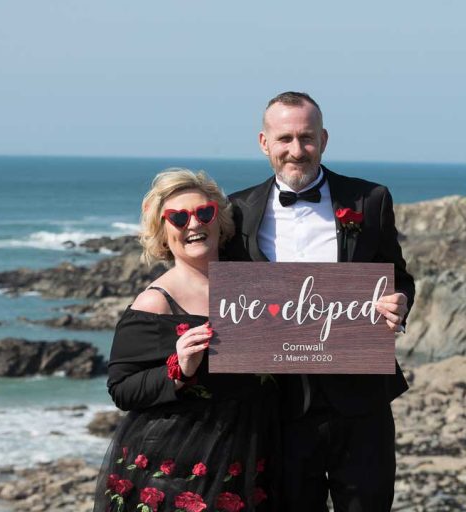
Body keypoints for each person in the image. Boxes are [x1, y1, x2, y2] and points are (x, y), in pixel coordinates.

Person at [223, 92, 415, 512]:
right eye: (285, 138)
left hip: (360, 399)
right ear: (263, 142)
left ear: (324, 139)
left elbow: (398, 276)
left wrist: (400, 302)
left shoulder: (370, 200)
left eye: (306, 138)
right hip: (277, 407)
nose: (296, 150)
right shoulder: (236, 210)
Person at [94, 169, 279, 512]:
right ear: (164, 234)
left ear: (219, 221)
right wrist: (178, 369)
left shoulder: (254, 288)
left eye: (203, 212)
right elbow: (121, 389)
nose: (194, 224)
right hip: (175, 471)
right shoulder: (155, 302)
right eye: (178, 218)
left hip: (252, 458)